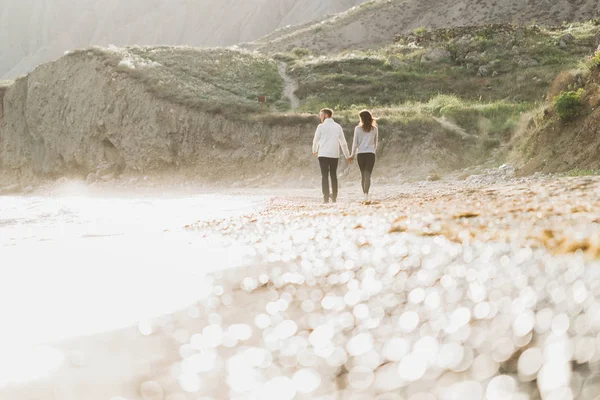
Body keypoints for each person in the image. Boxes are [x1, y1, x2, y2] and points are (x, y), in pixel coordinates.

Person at [312, 108, 351, 203]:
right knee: (333, 175)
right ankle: (334, 196)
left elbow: (315, 140)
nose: (320, 117)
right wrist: (347, 155)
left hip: (323, 154)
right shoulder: (338, 127)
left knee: (324, 175)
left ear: (326, 115)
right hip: (334, 154)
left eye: (321, 115)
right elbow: (343, 143)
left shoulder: (320, 127)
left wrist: (314, 150)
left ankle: (325, 198)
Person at [349, 110, 378, 202]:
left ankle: (364, 195)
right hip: (370, 154)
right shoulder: (375, 129)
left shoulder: (357, 129)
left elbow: (355, 144)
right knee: (368, 174)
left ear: (362, 118)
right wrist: (372, 150)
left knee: (363, 175)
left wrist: (352, 155)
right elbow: (375, 143)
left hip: (361, 154)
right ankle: (366, 194)